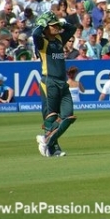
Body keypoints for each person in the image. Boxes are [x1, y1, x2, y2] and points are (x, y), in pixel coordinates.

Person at [33, 10, 78, 158]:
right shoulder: (42, 43)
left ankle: (46, 140)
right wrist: (42, 24)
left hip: (62, 82)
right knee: (51, 117)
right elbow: (35, 35)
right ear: (46, 27)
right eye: (53, 25)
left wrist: (61, 22)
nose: (56, 27)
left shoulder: (59, 38)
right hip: (49, 81)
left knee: (68, 115)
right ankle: (53, 148)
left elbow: (72, 29)